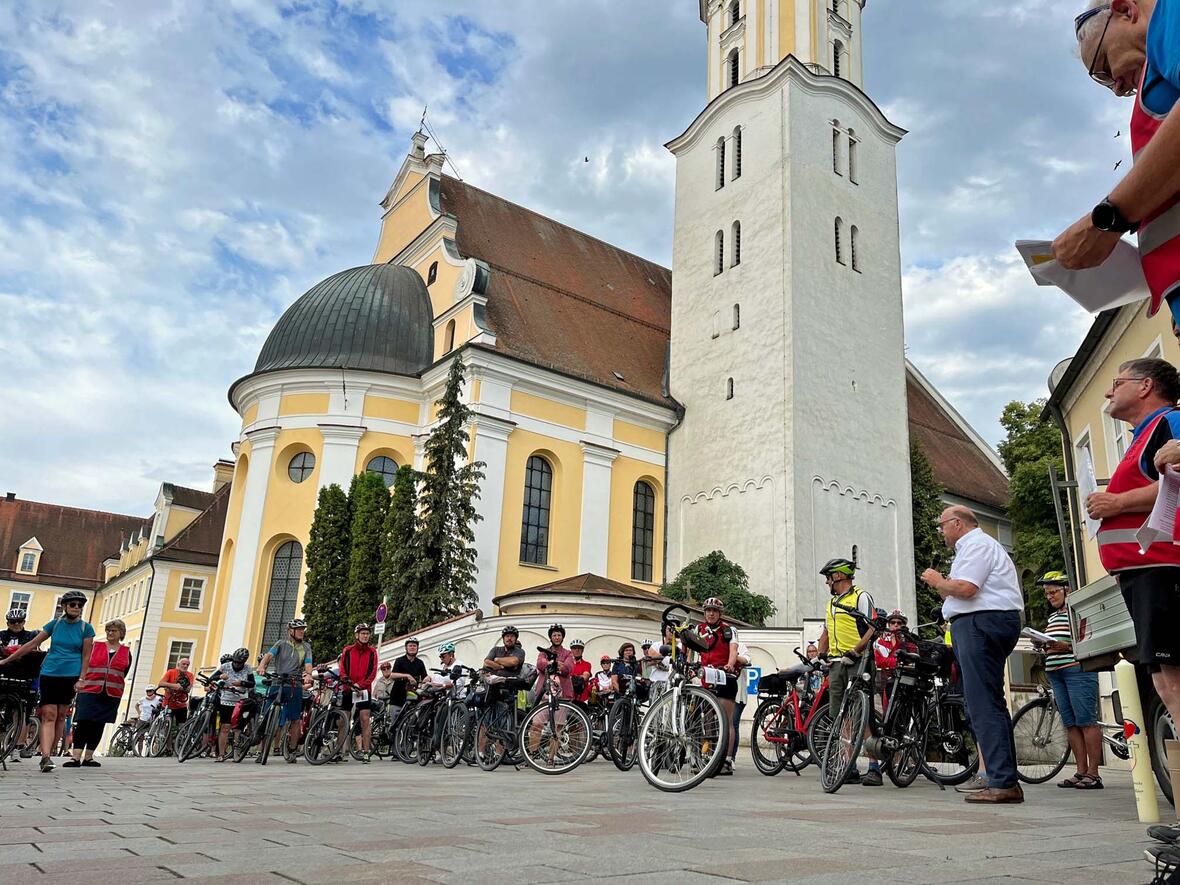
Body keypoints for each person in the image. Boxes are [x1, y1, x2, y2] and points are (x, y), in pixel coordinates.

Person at [1057, 1, 1180, 338]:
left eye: (1103, 67)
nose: (1115, 88)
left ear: (1126, 9)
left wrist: (1108, 220)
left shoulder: (1168, 14)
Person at [921, 505, 1024, 804]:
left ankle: (1003, 781)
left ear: (956, 523)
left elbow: (966, 589)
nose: (940, 531)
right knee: (987, 701)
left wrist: (938, 581)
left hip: (981, 621)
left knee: (983, 703)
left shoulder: (976, 544)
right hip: (983, 620)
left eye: (942, 525)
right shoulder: (978, 546)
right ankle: (998, 775)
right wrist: (945, 587)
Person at [0, 589, 95, 772]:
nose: (77, 608)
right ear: (65, 606)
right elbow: (30, 644)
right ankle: (45, 757)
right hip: (50, 673)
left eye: (80, 605)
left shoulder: (86, 628)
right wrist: (6, 660)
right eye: (73, 604)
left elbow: (86, 656)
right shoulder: (54, 624)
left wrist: (82, 678)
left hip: (71, 675)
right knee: (49, 714)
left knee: (61, 716)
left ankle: (50, 751)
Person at [1033, 572, 1104, 789]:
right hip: (1056, 672)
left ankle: (1094, 773)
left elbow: (1090, 640)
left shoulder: (1078, 611)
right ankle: (1081, 771)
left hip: (1077, 670)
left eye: (1053, 591)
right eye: (1047, 593)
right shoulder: (1054, 616)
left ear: (1067, 590)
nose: (1050, 596)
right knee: (1071, 723)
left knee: (1086, 720)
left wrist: (1066, 646)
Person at [815, 558, 879, 785]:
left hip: (858, 661)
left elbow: (873, 627)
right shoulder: (831, 603)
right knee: (840, 716)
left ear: (838, 576)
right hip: (836, 663)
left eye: (828, 578)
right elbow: (826, 631)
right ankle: (846, 765)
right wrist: (821, 654)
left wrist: (856, 650)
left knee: (862, 713)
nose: (827, 583)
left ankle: (874, 767)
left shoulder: (861, 597)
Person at [66, 618, 132, 767]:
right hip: (89, 690)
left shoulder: (126, 652)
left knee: (98, 724)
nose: (110, 633)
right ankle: (75, 757)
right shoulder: (96, 647)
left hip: (111, 693)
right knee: (83, 722)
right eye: (108, 630)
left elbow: (124, 672)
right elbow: (83, 663)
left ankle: (88, 757)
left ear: (121, 633)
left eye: (113, 630)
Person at [258, 618, 314, 762]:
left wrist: (308, 674)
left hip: (294, 684)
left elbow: (308, 664)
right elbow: (268, 656)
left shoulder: (306, 647)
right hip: (278, 682)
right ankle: (262, 750)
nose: (302, 632)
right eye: (299, 629)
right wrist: (262, 666)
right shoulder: (281, 643)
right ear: (290, 631)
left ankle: (292, 750)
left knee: (295, 719)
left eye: (303, 629)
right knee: (267, 715)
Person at [696, 597, 739, 776]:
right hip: (706, 677)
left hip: (724, 676)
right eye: (708, 611)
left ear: (720, 613)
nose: (711, 613)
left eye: (714, 611)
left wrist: (730, 664)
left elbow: (734, 649)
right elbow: (691, 648)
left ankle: (727, 760)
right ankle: (707, 755)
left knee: (726, 721)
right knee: (706, 720)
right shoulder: (699, 629)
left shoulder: (729, 630)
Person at [340, 623, 379, 761]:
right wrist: (347, 681)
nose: (365, 636)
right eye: (362, 633)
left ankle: (366, 752)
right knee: (343, 719)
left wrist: (361, 685)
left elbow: (372, 672)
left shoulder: (372, 652)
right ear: (357, 635)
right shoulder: (348, 650)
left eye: (367, 634)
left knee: (365, 719)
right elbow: (342, 668)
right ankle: (340, 751)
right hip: (348, 688)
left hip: (363, 690)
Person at [872, 610, 916, 714]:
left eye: (899, 623)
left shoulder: (909, 641)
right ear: (889, 624)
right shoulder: (881, 641)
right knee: (888, 711)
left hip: (905, 679)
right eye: (893, 622)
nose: (896, 625)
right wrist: (897, 663)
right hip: (886, 680)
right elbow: (879, 662)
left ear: (904, 625)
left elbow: (912, 659)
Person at [215, 647, 255, 761]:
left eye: (239, 663)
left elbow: (252, 683)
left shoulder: (248, 669)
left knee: (238, 728)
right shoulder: (226, 666)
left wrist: (242, 683)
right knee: (225, 727)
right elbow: (213, 677)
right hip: (226, 699)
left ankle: (236, 750)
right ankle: (221, 754)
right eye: (235, 661)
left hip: (240, 700)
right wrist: (220, 677)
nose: (236, 664)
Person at [388, 636, 428, 720]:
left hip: (412, 699)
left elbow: (424, 677)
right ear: (406, 648)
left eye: (414, 646)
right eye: (410, 645)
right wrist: (407, 676)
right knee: (395, 725)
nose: (412, 647)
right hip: (397, 698)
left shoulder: (420, 663)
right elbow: (392, 675)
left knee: (411, 725)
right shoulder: (400, 660)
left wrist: (428, 678)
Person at [157, 655, 195, 732]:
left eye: (187, 665)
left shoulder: (190, 675)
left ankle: (179, 742)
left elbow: (188, 689)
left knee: (182, 728)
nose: (185, 666)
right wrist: (174, 686)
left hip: (181, 704)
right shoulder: (171, 672)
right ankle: (168, 744)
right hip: (168, 703)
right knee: (167, 728)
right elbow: (160, 683)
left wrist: (181, 688)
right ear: (178, 664)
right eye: (183, 664)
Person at [536, 625, 574, 700]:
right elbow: (540, 664)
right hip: (544, 694)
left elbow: (567, 668)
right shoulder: (544, 652)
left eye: (559, 635)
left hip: (563, 694)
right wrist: (556, 664)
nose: (557, 638)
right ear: (550, 637)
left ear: (563, 637)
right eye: (554, 635)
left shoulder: (568, 653)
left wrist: (550, 663)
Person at [133, 685, 161, 755]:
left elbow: (161, 707)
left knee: (152, 737)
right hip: (142, 719)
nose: (149, 692)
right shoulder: (143, 699)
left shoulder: (158, 699)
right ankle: (139, 754)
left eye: (150, 690)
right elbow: (136, 705)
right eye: (147, 691)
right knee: (140, 737)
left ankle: (151, 753)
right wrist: (139, 713)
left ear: (154, 691)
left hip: (152, 720)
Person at [570, 639, 593, 704]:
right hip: (569, 698)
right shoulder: (567, 664)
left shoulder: (587, 664)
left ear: (582, 650)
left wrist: (571, 678)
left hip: (582, 699)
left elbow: (585, 676)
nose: (577, 650)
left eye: (579, 648)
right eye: (574, 648)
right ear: (571, 650)